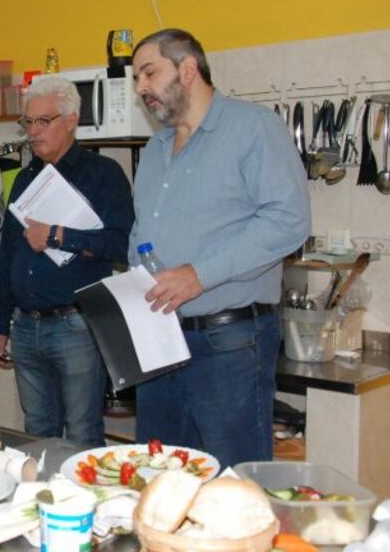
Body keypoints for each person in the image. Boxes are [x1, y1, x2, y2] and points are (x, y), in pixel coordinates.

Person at [129, 28, 310, 469]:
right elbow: (142, 231)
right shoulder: (153, 149)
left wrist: (198, 274)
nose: (141, 88)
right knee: (160, 473)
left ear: (188, 69)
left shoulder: (253, 127)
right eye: (136, 79)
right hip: (160, 340)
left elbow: (290, 222)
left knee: (234, 482)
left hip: (230, 342)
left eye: (149, 73)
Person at [0, 77, 134, 448]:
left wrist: (60, 235)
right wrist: (0, 323)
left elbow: (120, 244)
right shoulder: (23, 179)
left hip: (77, 325)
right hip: (25, 326)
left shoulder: (103, 174)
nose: (34, 132)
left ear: (71, 120)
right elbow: (7, 254)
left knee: (83, 433)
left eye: (44, 121)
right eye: (28, 123)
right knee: (37, 432)